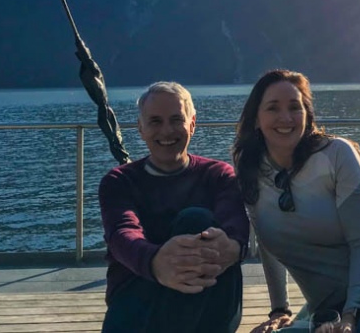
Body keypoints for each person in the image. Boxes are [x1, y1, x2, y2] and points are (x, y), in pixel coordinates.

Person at [232, 69, 360, 333]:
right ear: (256, 119)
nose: (285, 117)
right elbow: (266, 241)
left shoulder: (336, 155)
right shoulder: (250, 170)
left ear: (307, 114)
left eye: (295, 107)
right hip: (330, 305)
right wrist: (280, 310)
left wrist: (352, 315)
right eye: (273, 108)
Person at [99, 81, 250, 333]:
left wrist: (233, 246)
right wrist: (157, 262)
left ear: (192, 123)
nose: (167, 131)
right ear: (141, 128)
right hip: (139, 297)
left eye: (176, 119)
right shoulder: (119, 181)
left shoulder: (217, 175)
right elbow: (122, 233)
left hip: (209, 300)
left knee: (197, 222)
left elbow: (235, 225)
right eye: (155, 121)